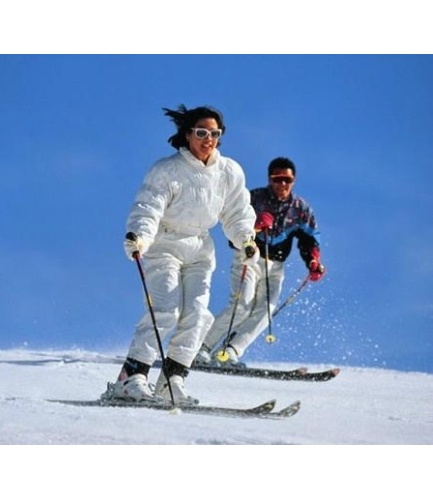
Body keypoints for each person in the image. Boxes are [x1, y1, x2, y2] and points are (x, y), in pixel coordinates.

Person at [107, 104, 258, 405]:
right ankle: (131, 377)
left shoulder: (229, 172)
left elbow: (238, 212)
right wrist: (140, 236)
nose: (208, 139)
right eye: (201, 132)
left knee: (198, 315)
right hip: (164, 245)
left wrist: (246, 239)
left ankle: (172, 380)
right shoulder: (167, 170)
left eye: (215, 133)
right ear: (188, 134)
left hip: (200, 248)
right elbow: (149, 206)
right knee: (165, 308)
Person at [194, 156, 326, 366]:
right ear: (269, 179)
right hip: (250, 257)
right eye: (277, 179)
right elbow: (232, 226)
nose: (282, 184)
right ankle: (201, 348)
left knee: (265, 311)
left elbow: (309, 239)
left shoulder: (300, 209)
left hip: (275, 267)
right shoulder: (253, 199)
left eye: (287, 180)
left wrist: (313, 261)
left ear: (293, 181)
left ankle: (229, 352)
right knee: (242, 306)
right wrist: (255, 225)